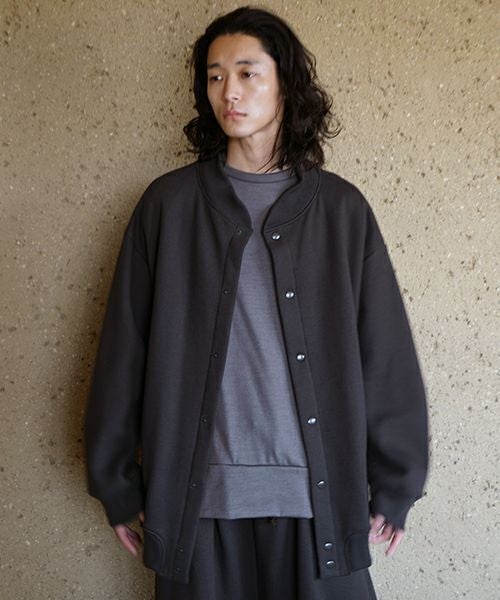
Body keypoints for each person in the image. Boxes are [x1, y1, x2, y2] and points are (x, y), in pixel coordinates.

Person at [84, 6, 429, 600]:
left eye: (247, 73)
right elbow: (124, 349)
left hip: (317, 508)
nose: (229, 92)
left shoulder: (342, 212)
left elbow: (386, 352)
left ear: (285, 84)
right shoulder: (168, 208)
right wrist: (116, 483)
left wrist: (397, 483)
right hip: (199, 509)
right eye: (215, 76)